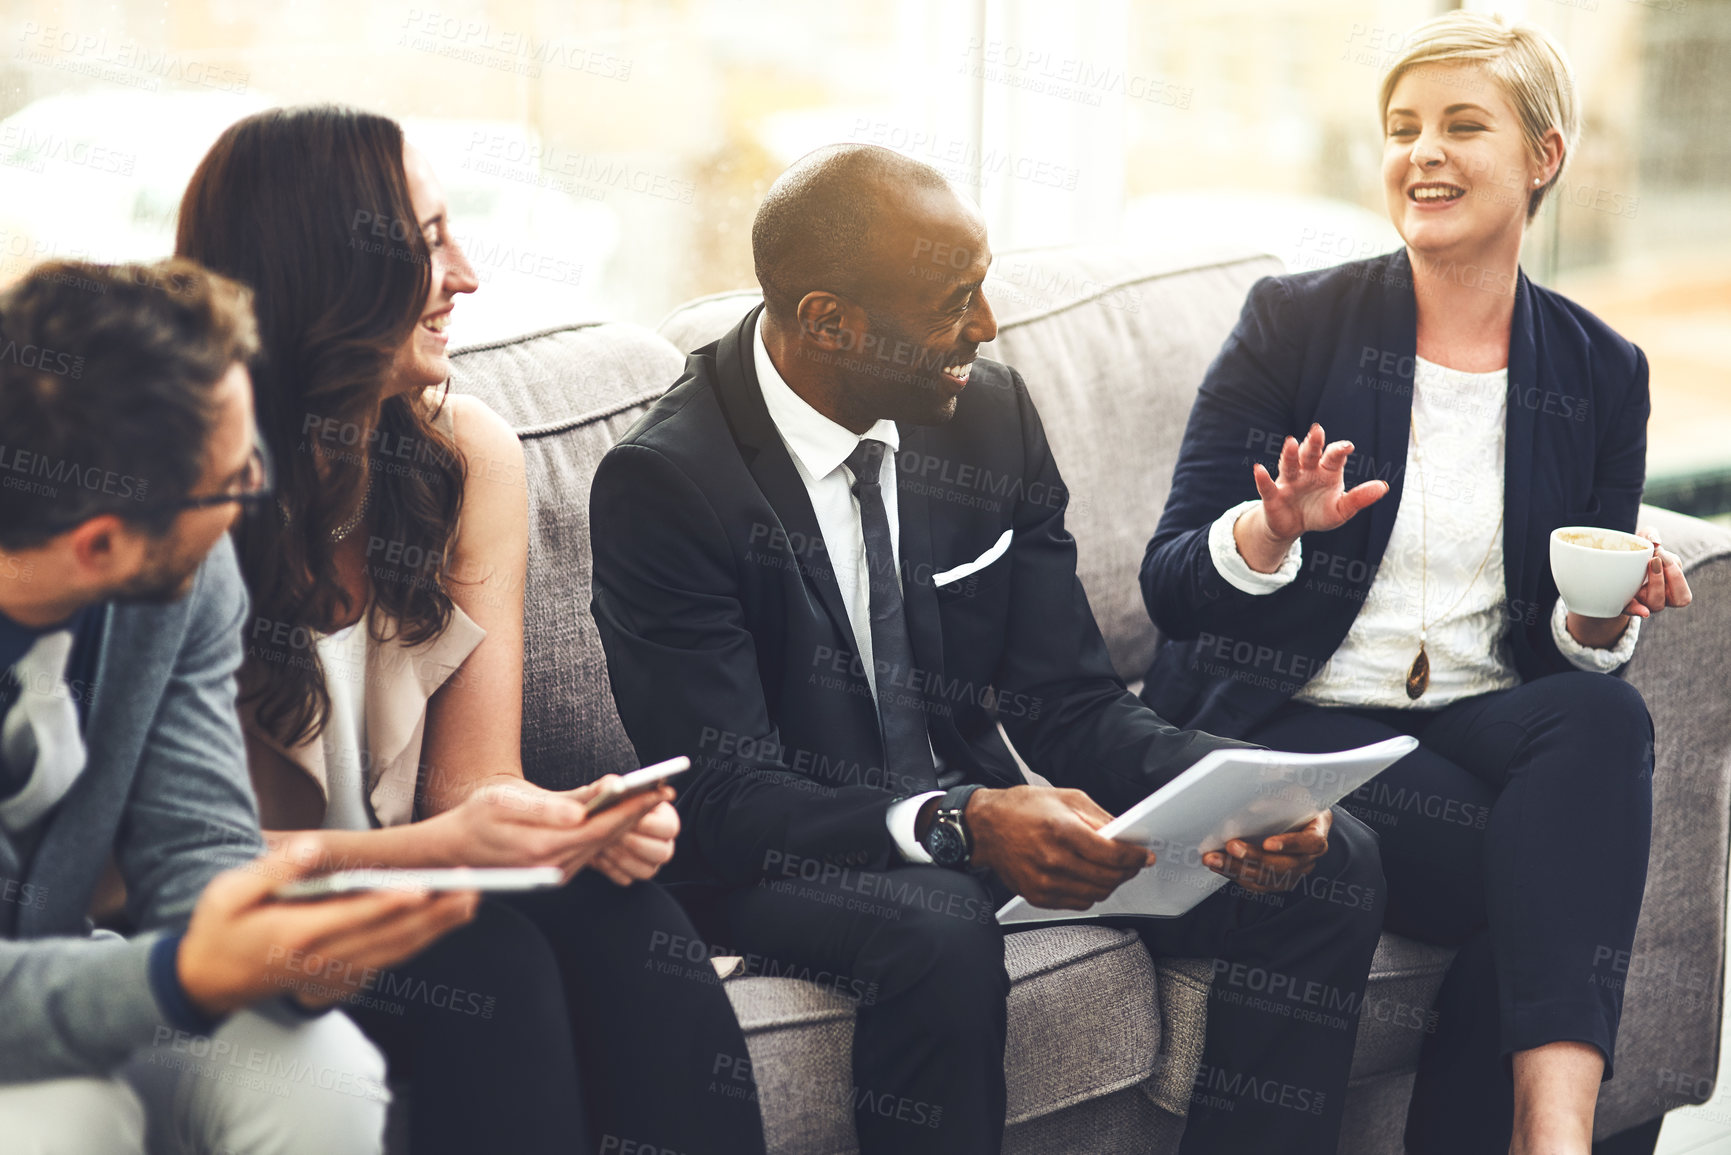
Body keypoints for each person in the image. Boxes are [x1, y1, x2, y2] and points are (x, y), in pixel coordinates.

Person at [590, 142, 1387, 1155]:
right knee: (936, 929)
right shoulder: (667, 484)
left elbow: (1070, 701)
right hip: (784, 857)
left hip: (981, 824)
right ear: (831, 321)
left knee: (1331, 858)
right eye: (951, 302)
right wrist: (963, 822)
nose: (984, 326)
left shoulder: (986, 415)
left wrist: (1249, 799)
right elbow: (730, 799)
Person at [1137, 13, 1690, 1155]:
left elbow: (1566, 633)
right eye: (1402, 129)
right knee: (1545, 881)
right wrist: (1269, 531)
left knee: (1602, 716)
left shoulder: (1601, 371)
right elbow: (1171, 582)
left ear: (1544, 156)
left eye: (1461, 125)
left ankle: (1556, 1137)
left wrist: (1600, 616)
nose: (1422, 152)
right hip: (1296, 726)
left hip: (1479, 722)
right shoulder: (1296, 324)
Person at [175, 104, 767, 1155]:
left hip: (402, 884)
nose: (469, 273)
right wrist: (441, 848)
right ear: (328, 271)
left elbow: (470, 782)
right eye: (429, 241)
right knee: (482, 967)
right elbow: (173, 864)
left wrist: (568, 819)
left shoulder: (465, 458)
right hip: (232, 928)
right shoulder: (182, 499)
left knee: (624, 918)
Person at [0, 257, 478, 1155]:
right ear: (100, 543)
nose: (256, 490)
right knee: (66, 1118)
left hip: (85, 970)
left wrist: (287, 952)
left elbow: (195, 840)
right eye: (232, 479)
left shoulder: (181, 563)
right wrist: (178, 977)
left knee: (317, 1072)